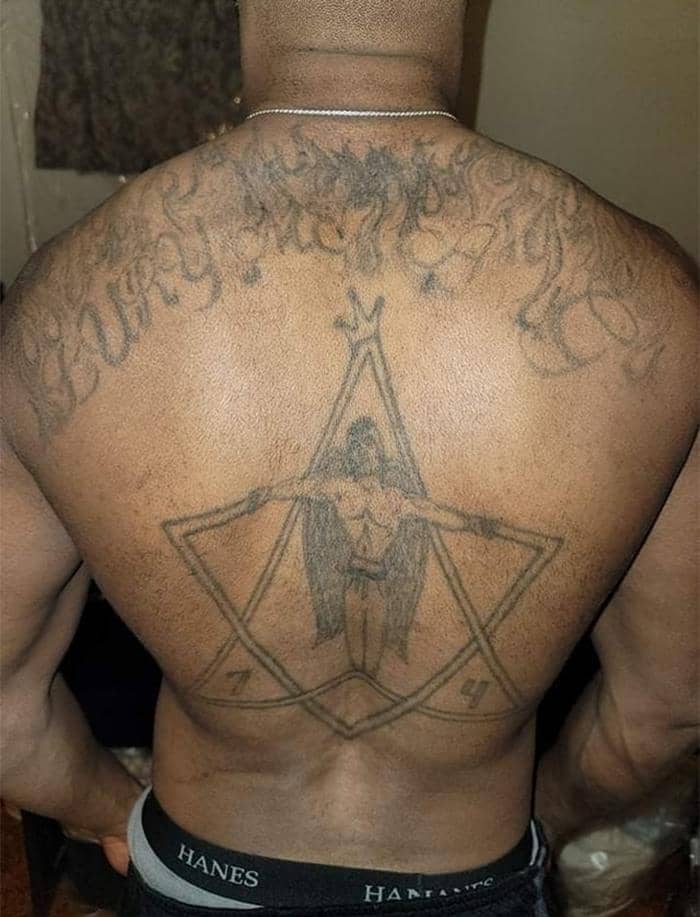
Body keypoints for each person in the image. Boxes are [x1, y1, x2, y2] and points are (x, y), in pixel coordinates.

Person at [1, 1, 697, 915]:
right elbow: (666, 708)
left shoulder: (54, 310)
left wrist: (114, 812)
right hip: (475, 875)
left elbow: (6, 715)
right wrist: (546, 824)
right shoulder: (662, 312)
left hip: (200, 871)